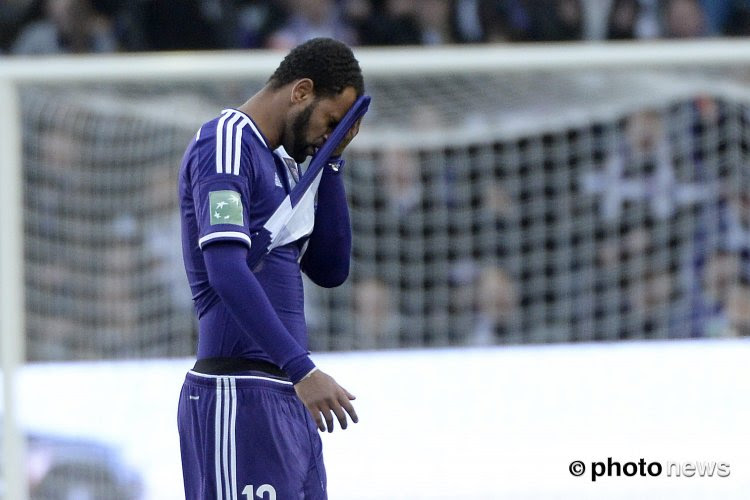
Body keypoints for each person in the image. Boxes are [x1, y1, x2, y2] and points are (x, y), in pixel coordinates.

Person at [176, 38, 364, 499]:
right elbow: (225, 270)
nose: (328, 134)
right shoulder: (224, 141)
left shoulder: (281, 164)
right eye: (331, 123)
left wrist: (332, 160)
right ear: (301, 92)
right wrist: (302, 369)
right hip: (237, 393)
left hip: (289, 397)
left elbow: (330, 268)